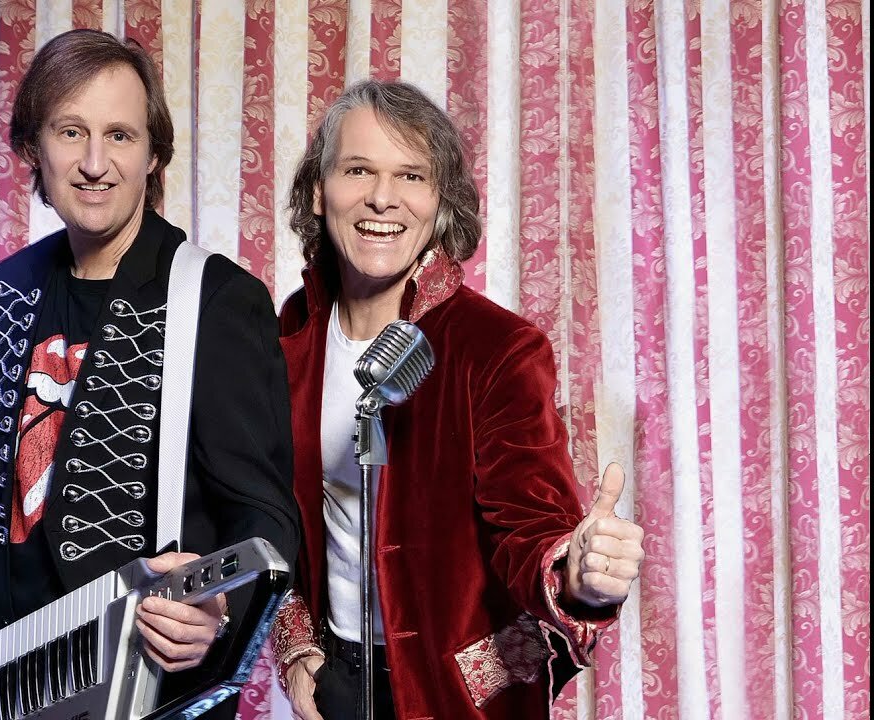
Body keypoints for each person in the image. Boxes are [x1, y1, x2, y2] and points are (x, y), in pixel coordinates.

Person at [0, 30, 300, 716]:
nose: (93, 162)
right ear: (35, 147)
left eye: (119, 135)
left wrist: (218, 605)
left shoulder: (215, 298)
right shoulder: (13, 286)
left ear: (153, 153)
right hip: (11, 678)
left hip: (146, 687)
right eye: (70, 131)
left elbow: (266, 513)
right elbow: (23, 471)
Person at [270, 80, 645, 719]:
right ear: (317, 191)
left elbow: (529, 522)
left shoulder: (498, 348)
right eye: (358, 169)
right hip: (339, 678)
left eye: (411, 175)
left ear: (439, 201)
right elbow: (275, 512)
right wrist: (296, 644)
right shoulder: (292, 332)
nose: (382, 197)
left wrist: (574, 574)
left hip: (455, 693)